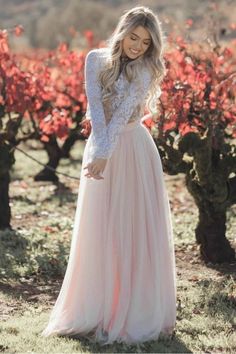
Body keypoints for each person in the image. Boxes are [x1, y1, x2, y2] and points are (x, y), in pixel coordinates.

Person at [41, 5, 176, 345]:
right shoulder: (94, 60)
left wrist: (105, 153)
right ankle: (97, 306)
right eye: (133, 37)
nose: (137, 46)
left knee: (130, 227)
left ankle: (133, 308)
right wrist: (99, 152)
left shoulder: (145, 69)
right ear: (122, 32)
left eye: (145, 42)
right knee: (99, 228)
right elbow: (97, 111)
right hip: (100, 145)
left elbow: (122, 117)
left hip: (132, 150)